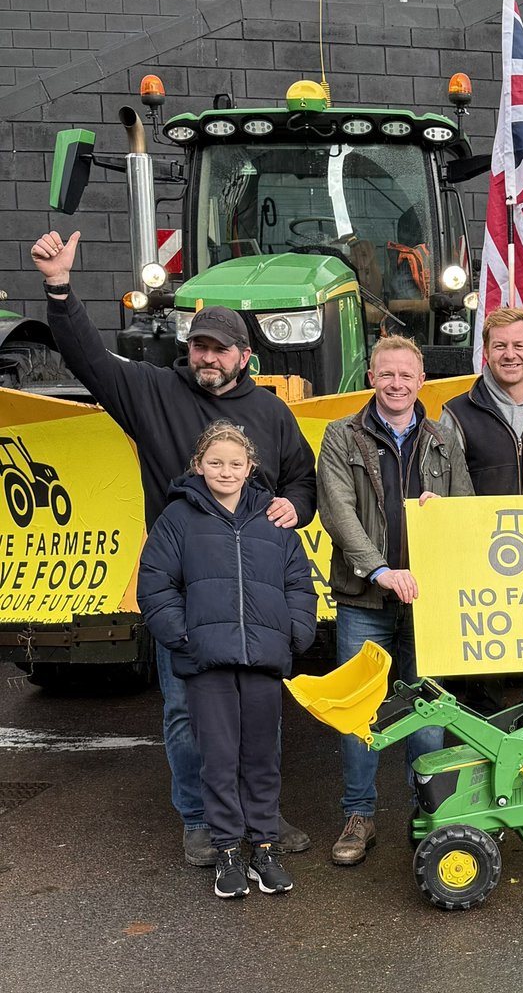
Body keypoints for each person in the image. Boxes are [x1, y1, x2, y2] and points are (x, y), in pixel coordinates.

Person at [30, 230, 317, 867]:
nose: (204, 357)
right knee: (189, 712)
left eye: (218, 349)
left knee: (257, 718)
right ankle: (199, 820)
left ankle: (259, 821)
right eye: (197, 346)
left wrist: (295, 506)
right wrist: (59, 289)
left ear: (243, 356)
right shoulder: (156, 392)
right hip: (188, 593)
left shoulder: (272, 416)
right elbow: (92, 363)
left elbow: (303, 479)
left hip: (256, 598)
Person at [137, 422, 317, 899]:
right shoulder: (178, 518)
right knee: (217, 758)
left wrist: (294, 635)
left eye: (235, 463)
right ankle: (228, 852)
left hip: (262, 659)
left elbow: (299, 582)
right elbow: (155, 584)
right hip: (207, 663)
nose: (225, 471)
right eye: (215, 462)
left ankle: (264, 847)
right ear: (198, 466)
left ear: (250, 468)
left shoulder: (273, 521)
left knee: (261, 757)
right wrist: (187, 638)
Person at [317, 335, 473, 865]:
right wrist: (381, 570)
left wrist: (443, 508)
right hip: (364, 599)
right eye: (387, 374)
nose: (397, 383)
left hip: (426, 599)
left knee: (427, 713)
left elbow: (468, 508)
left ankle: (426, 814)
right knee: (359, 713)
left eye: (407, 375)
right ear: (371, 379)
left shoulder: (443, 439)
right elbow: (337, 513)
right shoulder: (341, 436)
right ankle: (359, 816)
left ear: (421, 380)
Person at [440, 306, 523, 725]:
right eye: (500, 346)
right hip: (483, 570)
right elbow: (446, 485)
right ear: (486, 352)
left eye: (518, 345)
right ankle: (485, 781)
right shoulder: (456, 413)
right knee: (482, 685)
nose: (509, 354)